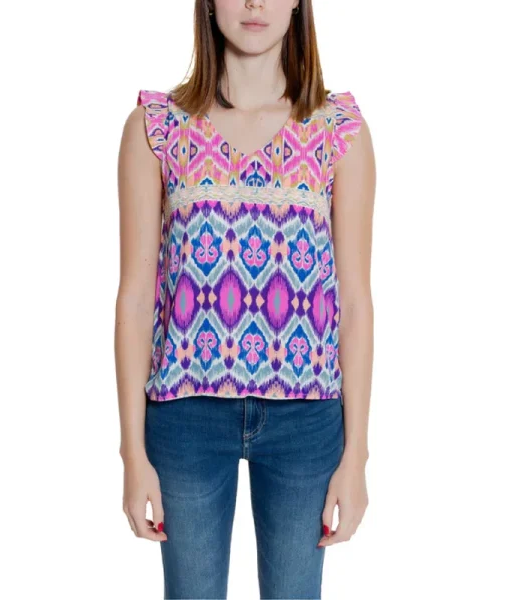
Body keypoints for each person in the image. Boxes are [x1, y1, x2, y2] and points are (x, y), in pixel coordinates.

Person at [116, 0, 376, 598]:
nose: (255, 3)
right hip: (185, 414)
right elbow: (134, 298)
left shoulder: (338, 131)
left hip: (307, 418)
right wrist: (132, 452)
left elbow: (355, 302)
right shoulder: (157, 128)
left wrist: (357, 456)